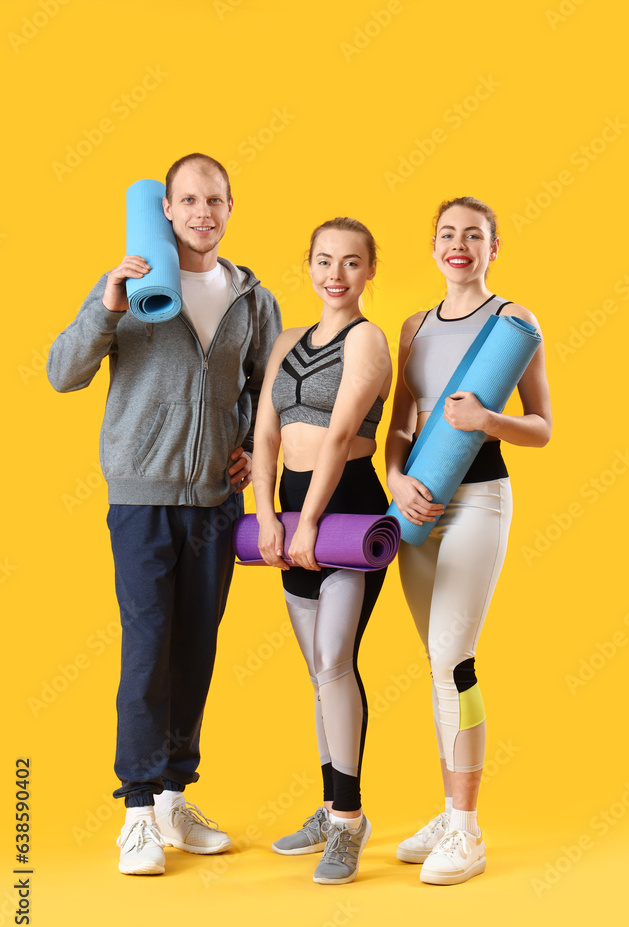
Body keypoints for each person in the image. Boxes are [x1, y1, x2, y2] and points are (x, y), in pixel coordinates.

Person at [47, 153, 282, 875]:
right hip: (143, 497)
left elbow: (270, 394)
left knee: (196, 648)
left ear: (230, 206)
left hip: (217, 501)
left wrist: (247, 447)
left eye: (215, 198)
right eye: (188, 199)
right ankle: (138, 812)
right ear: (168, 210)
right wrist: (110, 300)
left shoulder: (252, 296)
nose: (202, 211)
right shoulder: (133, 280)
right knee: (147, 648)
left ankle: (177, 799)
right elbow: (63, 372)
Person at [386, 196, 551, 885]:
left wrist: (488, 419)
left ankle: (468, 831)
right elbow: (398, 426)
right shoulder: (414, 326)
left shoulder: (515, 322)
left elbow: (541, 426)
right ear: (432, 248)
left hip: (480, 500)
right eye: (448, 235)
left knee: (455, 659)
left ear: (493, 248)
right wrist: (395, 480)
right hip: (417, 508)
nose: (459, 245)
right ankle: (450, 811)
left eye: (474, 236)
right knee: (434, 659)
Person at [252, 217, 391, 885]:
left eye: (352, 263)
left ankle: (349, 822)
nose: (336, 273)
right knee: (317, 670)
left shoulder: (369, 340)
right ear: (308, 265)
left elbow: (337, 439)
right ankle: (330, 802)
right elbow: (265, 436)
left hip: (348, 509)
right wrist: (265, 515)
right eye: (324, 260)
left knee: (336, 660)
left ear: (369, 271)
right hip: (287, 508)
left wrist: (306, 525)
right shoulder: (285, 341)